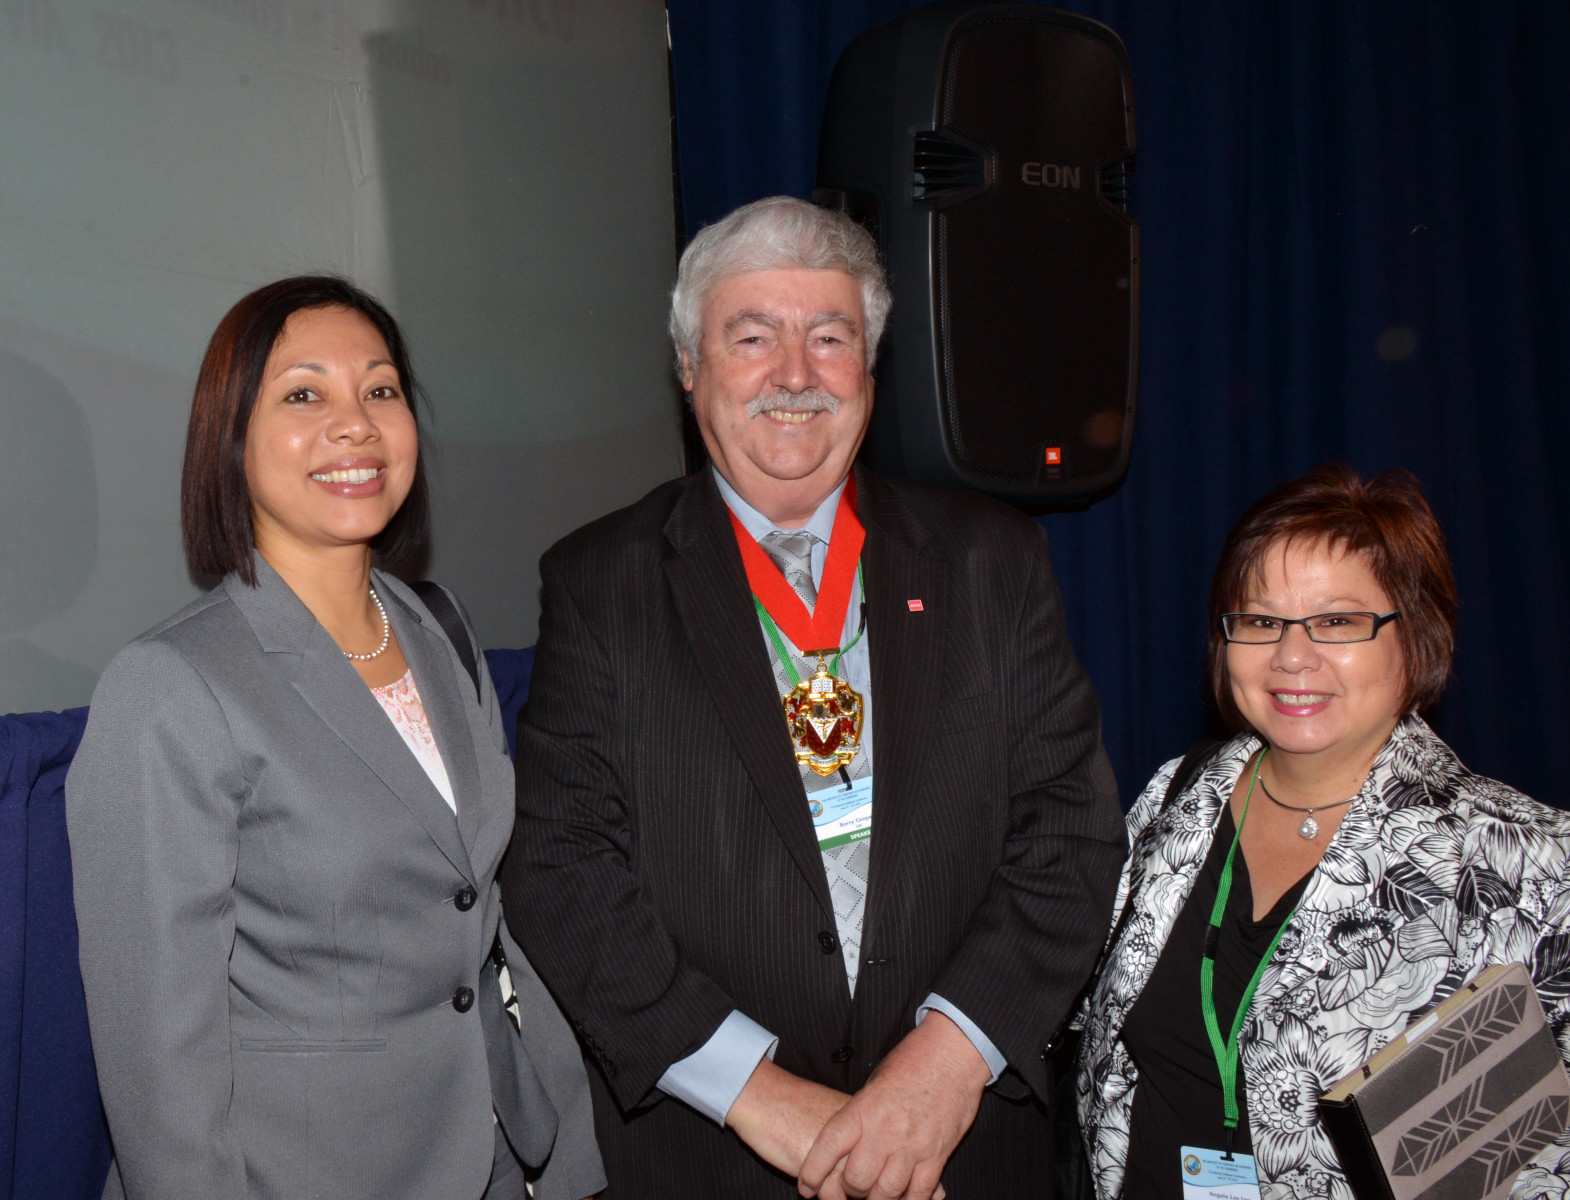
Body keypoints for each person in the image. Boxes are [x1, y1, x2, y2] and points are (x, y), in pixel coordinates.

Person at [501, 196, 1125, 1199]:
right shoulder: (600, 583)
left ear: (867, 371)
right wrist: (755, 1094)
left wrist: (945, 1062)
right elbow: (561, 865)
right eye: (753, 337)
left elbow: (1069, 831)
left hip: (960, 1148)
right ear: (689, 367)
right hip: (714, 1155)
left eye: (829, 337)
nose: (796, 374)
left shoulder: (992, 562)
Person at [65, 276, 605, 1200]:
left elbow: (485, 925)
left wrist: (567, 1160)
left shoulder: (439, 629)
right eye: (304, 394)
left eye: (380, 390)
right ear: (230, 438)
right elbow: (159, 1061)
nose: (355, 424)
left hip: (494, 1154)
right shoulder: (168, 686)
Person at [1075, 463, 1570, 1199]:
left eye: (1337, 621)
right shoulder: (1174, 799)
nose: (1292, 656)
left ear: (1418, 635)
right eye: (1260, 621)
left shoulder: (1526, 866)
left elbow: (1539, 1169)